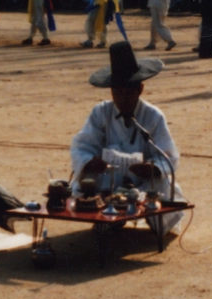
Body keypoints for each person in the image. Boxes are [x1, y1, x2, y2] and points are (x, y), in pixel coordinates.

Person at [71, 42, 186, 234]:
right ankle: (105, 219)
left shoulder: (152, 116)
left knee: (165, 185)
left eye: (129, 93)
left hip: (142, 182)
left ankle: (155, 224)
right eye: (118, 93)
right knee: (86, 180)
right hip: (108, 178)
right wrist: (91, 162)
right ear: (111, 92)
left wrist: (153, 168)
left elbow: (169, 156)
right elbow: (82, 146)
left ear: (140, 90)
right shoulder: (101, 113)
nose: (123, 99)